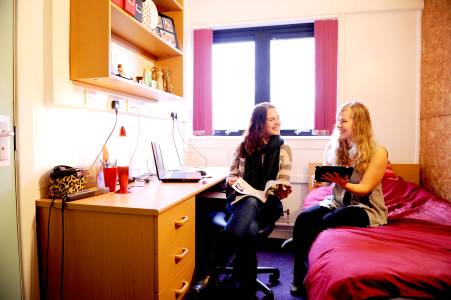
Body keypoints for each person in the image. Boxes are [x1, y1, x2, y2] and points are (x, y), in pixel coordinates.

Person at [193, 102, 292, 299]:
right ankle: (247, 290)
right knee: (250, 219)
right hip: (240, 201)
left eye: (278, 118)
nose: (278, 122)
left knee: (253, 205)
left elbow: (283, 180)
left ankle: (212, 268)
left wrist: (282, 189)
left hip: (268, 205)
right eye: (272, 119)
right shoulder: (242, 146)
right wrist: (232, 180)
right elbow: (232, 175)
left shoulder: (284, 148)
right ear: (259, 123)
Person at [290, 101, 388, 297]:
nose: (338, 125)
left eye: (343, 121)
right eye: (337, 121)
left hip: (364, 207)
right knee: (303, 219)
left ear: (358, 123)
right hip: (338, 201)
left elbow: (364, 188)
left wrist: (341, 183)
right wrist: (319, 181)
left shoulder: (378, 152)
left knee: (329, 221)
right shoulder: (336, 147)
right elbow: (327, 183)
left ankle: (313, 268)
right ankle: (298, 274)